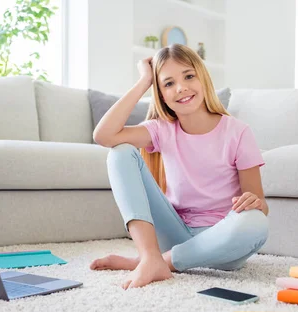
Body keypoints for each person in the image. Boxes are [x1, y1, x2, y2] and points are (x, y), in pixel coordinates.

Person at [90, 44, 269, 289]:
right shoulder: (161, 129)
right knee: (119, 152)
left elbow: (259, 203)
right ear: (161, 94)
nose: (181, 88)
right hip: (175, 233)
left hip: (223, 242)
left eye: (188, 76)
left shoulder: (238, 132)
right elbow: (104, 136)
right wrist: (145, 80)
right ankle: (150, 255)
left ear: (202, 78)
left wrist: (255, 203)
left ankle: (154, 261)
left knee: (256, 222)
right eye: (168, 83)